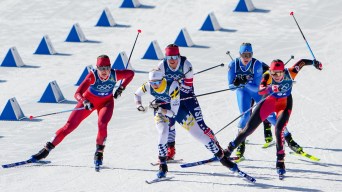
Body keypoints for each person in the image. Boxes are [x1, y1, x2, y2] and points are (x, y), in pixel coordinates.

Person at [30, 55, 135, 168]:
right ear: (97, 68)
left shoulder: (116, 74)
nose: (104, 71)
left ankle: (99, 153)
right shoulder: (92, 76)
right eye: (101, 68)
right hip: (89, 102)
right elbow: (77, 93)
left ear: (110, 67)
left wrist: (121, 88)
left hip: (106, 103)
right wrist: (84, 101)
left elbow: (131, 74)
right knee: (69, 126)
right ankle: (46, 150)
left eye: (106, 68)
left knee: (102, 124)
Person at [225, 58, 322, 175]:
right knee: (248, 129)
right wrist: (271, 88)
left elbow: (302, 62)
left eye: (279, 73)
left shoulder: (291, 72)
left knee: (279, 129)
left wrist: (314, 63)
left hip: (284, 104)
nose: (276, 76)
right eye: (273, 73)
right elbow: (260, 90)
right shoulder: (267, 76)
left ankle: (280, 160)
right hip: (269, 102)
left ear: (283, 71)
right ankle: (229, 150)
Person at [135, 70, 238, 178]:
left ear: (162, 80)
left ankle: (223, 159)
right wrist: (139, 105)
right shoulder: (148, 86)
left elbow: (173, 113)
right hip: (161, 110)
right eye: (152, 83)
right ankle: (163, 165)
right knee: (163, 132)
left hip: (177, 110)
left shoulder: (172, 86)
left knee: (199, 135)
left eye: (157, 83)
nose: (154, 86)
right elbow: (137, 94)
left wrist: (160, 109)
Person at [227, 43, 303, 159]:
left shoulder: (256, 64)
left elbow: (258, 88)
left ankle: (289, 139)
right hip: (242, 92)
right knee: (245, 116)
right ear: (240, 54)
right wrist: (236, 84)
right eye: (244, 55)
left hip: (256, 92)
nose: (246, 58)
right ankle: (240, 145)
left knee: (271, 116)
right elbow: (231, 87)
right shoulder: (233, 65)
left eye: (249, 55)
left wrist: (245, 82)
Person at [156, 44, 217, 160]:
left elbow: (188, 87)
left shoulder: (186, 65)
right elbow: (158, 84)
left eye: (174, 57)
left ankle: (217, 147)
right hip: (171, 99)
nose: (172, 60)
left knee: (201, 124)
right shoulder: (161, 66)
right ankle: (170, 150)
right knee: (170, 122)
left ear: (178, 56)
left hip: (187, 97)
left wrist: (176, 86)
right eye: (169, 58)